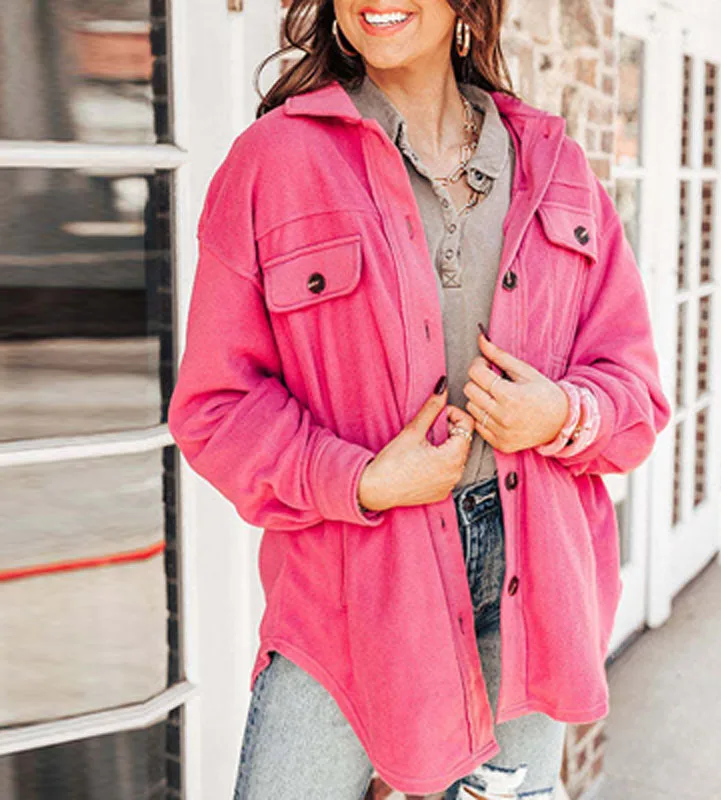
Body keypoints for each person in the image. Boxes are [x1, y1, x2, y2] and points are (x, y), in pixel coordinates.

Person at [167, 1, 672, 798]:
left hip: (536, 586)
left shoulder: (555, 165)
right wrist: (365, 480)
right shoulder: (275, 161)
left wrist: (563, 414)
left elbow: (634, 389)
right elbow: (216, 406)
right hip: (349, 587)